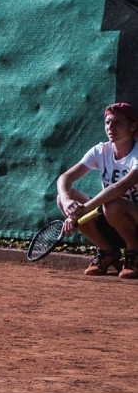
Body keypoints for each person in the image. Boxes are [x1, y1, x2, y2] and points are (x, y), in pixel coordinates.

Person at [55, 101, 138, 279]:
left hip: (133, 217)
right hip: (113, 220)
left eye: (118, 123)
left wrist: (83, 210)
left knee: (112, 204)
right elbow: (65, 177)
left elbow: (119, 188)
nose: (110, 128)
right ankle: (108, 252)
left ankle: (134, 253)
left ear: (133, 126)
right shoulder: (100, 151)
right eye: (108, 123)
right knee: (62, 198)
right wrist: (69, 203)